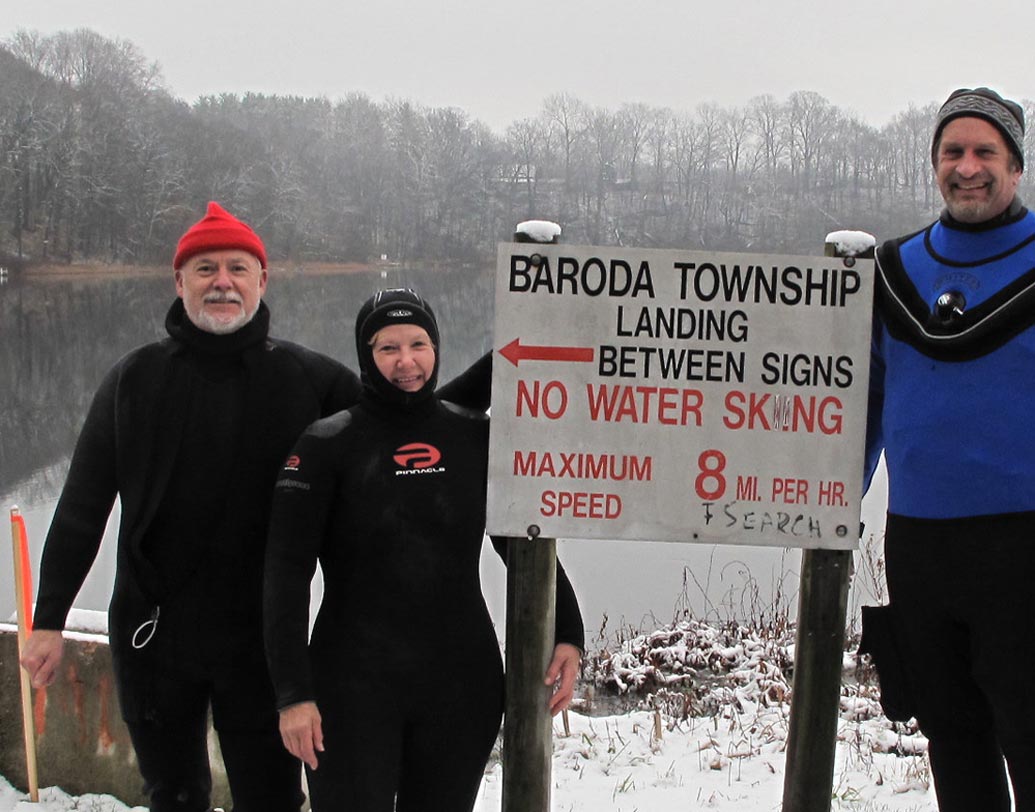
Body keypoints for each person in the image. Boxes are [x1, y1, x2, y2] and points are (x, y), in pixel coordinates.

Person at [18, 204, 489, 812]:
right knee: (174, 795)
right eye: (205, 268)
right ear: (179, 282)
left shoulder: (308, 378)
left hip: (260, 646)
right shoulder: (133, 380)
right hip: (152, 636)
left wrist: (507, 364)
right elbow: (82, 507)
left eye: (238, 267)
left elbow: (405, 416)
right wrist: (49, 618)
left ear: (262, 281)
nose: (222, 281)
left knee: (270, 800)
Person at [263, 288, 585, 811]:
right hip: (350, 689)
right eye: (388, 348)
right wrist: (293, 695)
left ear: (436, 349)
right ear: (366, 355)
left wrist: (568, 631)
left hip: (460, 685)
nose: (406, 361)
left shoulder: (472, 438)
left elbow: (519, 542)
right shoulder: (325, 446)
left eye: (418, 344)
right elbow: (284, 575)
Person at [865, 87, 1035, 811]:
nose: (967, 168)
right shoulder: (890, 271)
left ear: (1015, 166)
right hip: (919, 544)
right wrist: (817, 505)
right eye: (951, 152)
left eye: (984, 152)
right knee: (950, 736)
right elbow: (856, 402)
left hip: (1022, 544)